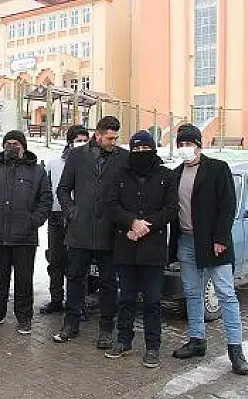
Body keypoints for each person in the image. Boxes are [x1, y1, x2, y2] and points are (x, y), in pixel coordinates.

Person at [169, 124, 248, 375]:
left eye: (188, 144)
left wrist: (221, 239)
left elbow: (228, 205)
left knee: (225, 293)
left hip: (214, 243)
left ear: (198, 145)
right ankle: (197, 340)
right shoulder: (175, 174)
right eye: (180, 144)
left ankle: (236, 350)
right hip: (187, 242)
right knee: (192, 292)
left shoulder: (217, 169)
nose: (184, 148)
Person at [105, 131, 178, 368]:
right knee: (125, 298)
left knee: (152, 301)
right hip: (125, 246)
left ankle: (153, 347)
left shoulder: (166, 176)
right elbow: (112, 205)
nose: (140, 154)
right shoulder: (120, 174)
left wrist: (147, 225)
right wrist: (131, 222)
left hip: (153, 250)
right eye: (136, 150)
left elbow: (171, 209)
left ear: (153, 150)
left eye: (145, 150)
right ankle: (124, 340)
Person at [53, 116, 128, 347]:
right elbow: (63, 188)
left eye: (116, 138)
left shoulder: (123, 157)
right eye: (109, 138)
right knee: (75, 277)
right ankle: (71, 324)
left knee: (108, 282)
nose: (113, 142)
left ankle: (106, 329)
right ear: (98, 135)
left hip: (109, 230)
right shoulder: (77, 156)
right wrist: (71, 211)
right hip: (80, 228)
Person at [0, 130, 52, 334]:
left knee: (24, 279)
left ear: (24, 146)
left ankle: (24, 317)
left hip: (24, 236)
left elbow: (45, 199)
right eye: (8, 143)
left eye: (16, 143)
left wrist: (34, 221)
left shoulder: (37, 171)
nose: (11, 146)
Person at [40, 125, 90, 315]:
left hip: (81, 217)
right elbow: (46, 190)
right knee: (56, 260)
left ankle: (78, 303)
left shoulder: (91, 162)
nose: (81, 144)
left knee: (78, 262)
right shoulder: (54, 164)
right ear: (69, 142)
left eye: (85, 140)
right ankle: (56, 299)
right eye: (78, 140)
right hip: (57, 215)